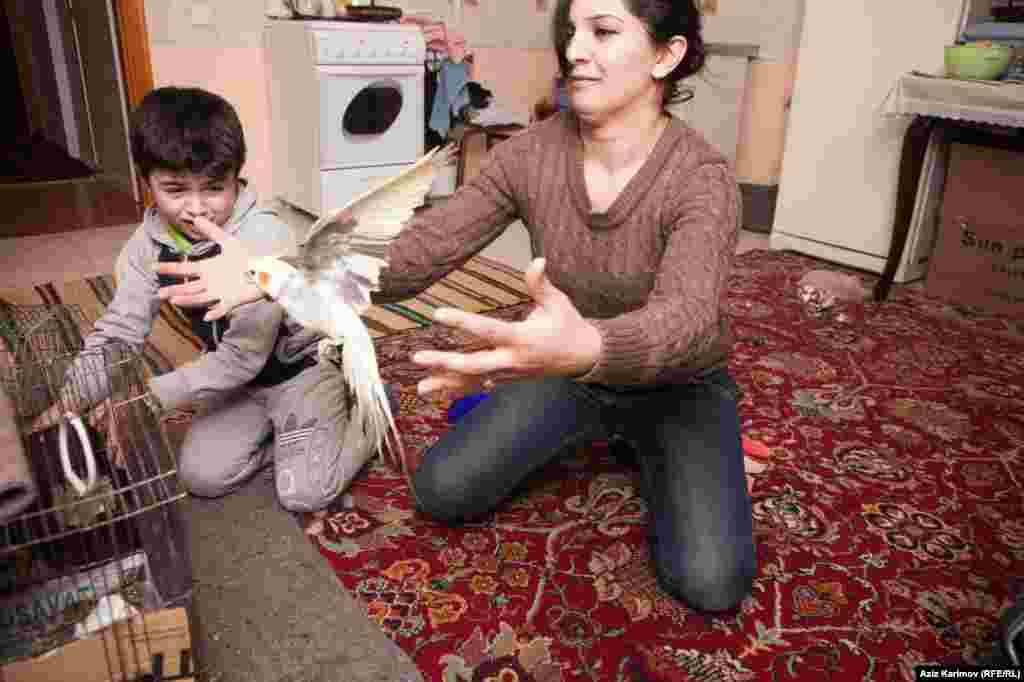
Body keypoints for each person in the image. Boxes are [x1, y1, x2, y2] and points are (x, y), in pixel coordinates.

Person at [157, 0, 755, 613]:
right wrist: (281, 270)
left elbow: (689, 318)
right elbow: (423, 249)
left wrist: (593, 346)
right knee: (444, 490)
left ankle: (645, 438)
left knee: (711, 581)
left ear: (666, 55)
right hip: (563, 371)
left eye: (602, 32)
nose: (574, 49)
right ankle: (597, 427)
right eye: (570, 30)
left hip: (677, 384)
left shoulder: (700, 177)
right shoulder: (530, 154)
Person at [34, 86, 384, 513]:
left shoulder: (264, 237)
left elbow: (244, 356)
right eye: (175, 189)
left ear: (237, 176)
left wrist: (147, 398)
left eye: (214, 188)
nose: (197, 209)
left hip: (299, 371)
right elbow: (120, 331)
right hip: (237, 383)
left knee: (304, 493)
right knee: (201, 476)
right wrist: (72, 398)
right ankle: (294, 436)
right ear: (146, 182)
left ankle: (370, 414)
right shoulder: (146, 246)